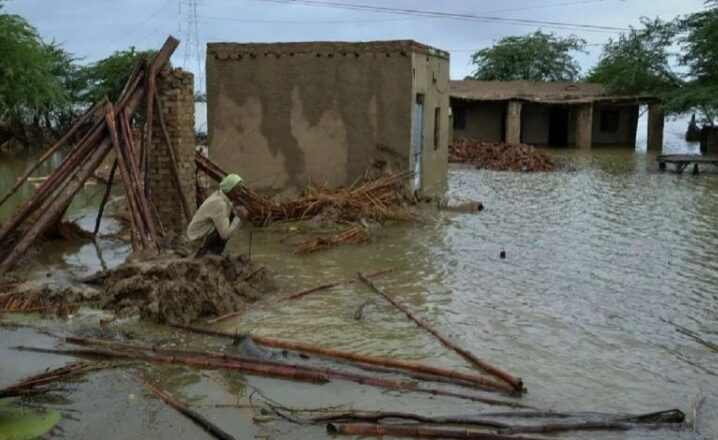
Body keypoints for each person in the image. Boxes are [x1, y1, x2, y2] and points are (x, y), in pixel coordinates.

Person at [187, 173, 246, 257]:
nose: (240, 193)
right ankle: (210, 253)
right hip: (196, 243)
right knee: (231, 218)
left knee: (231, 216)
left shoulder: (220, 197)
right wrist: (238, 218)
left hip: (197, 237)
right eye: (238, 190)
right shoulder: (220, 204)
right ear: (230, 190)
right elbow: (225, 234)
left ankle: (214, 252)